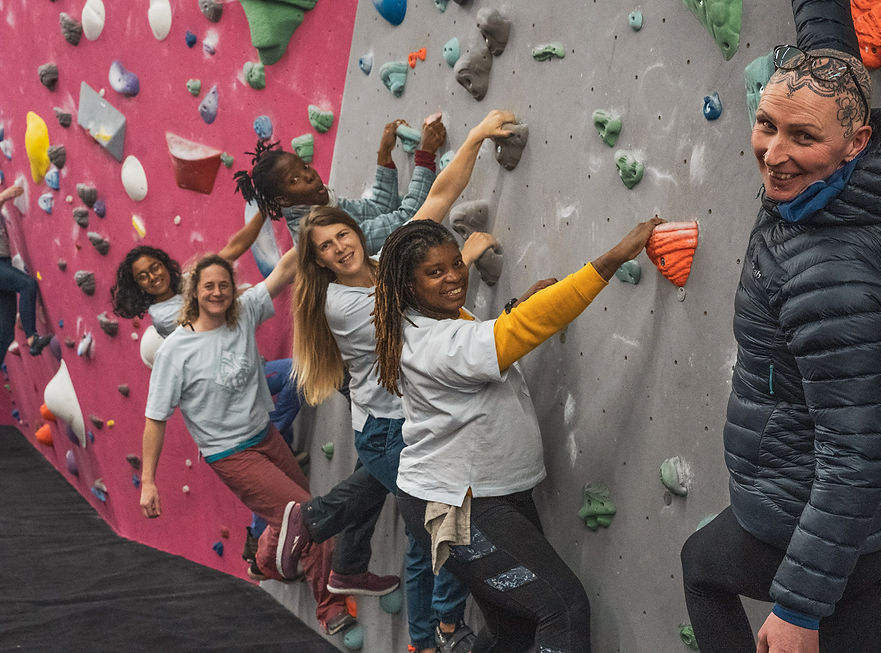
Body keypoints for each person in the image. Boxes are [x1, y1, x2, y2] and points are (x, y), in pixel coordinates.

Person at [680, 2, 881, 652]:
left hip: (833, 532)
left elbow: (851, 455)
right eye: (766, 124)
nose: (774, 153)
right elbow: (826, 45)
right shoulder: (844, 172)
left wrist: (798, 607)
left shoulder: (834, 275)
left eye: (802, 137)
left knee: (701, 567)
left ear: (856, 141)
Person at [278, 109, 516, 653]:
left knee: (423, 533)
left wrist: (476, 137)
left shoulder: (384, 260)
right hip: (387, 434)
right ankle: (446, 627)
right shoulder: (341, 304)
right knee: (446, 522)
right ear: (318, 262)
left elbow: (438, 199)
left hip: (408, 420)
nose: (339, 247)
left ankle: (425, 639)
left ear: (355, 231)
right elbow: (412, 312)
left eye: (342, 234)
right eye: (325, 247)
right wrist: (463, 258)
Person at [370, 217, 662, 652]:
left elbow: (483, 337)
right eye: (435, 272)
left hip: (482, 493)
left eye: (456, 263)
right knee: (563, 609)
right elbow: (505, 337)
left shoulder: (431, 321)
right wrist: (613, 258)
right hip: (462, 506)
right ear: (409, 286)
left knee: (513, 633)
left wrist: (517, 306)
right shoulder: (434, 343)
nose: (453, 277)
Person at [137, 250, 389, 635]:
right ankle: (330, 607)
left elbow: (285, 269)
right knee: (308, 516)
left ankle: (266, 562)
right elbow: (155, 419)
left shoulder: (242, 313)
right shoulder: (176, 350)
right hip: (230, 454)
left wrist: (312, 234)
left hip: (266, 437)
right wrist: (148, 481)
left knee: (291, 515)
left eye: (224, 285)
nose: (218, 292)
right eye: (209, 286)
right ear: (194, 293)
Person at [110, 215, 303, 573]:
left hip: (248, 377)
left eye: (154, 268)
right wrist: (237, 296)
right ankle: (261, 547)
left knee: (297, 378)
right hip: (231, 394)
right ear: (139, 287)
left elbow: (232, 248)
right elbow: (215, 310)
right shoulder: (165, 314)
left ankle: (278, 443)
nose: (153, 277)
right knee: (294, 379)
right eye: (143, 277)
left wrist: (261, 213)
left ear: (164, 264)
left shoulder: (192, 280)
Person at [234, 116, 446, 250]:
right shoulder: (321, 231)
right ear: (284, 200)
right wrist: (426, 157)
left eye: (305, 167)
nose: (309, 176)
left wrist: (384, 154)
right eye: (294, 180)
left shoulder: (317, 203)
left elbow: (378, 210)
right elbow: (408, 222)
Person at [0, 185, 51, 364]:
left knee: (6, 332)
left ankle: (32, 341)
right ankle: (32, 338)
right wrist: (4, 196)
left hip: (4, 262)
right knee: (27, 284)